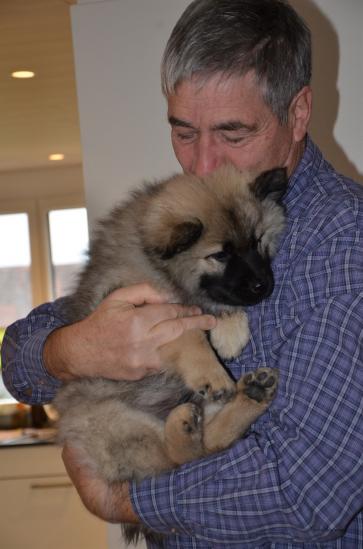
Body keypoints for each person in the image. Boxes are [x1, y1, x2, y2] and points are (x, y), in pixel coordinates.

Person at [2, 0, 362, 546]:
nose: (203, 165)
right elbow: (20, 360)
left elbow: (307, 493)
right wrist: (72, 350)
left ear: (299, 112)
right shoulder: (184, 211)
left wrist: (119, 499)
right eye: (185, 132)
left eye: (233, 134)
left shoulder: (344, 246)